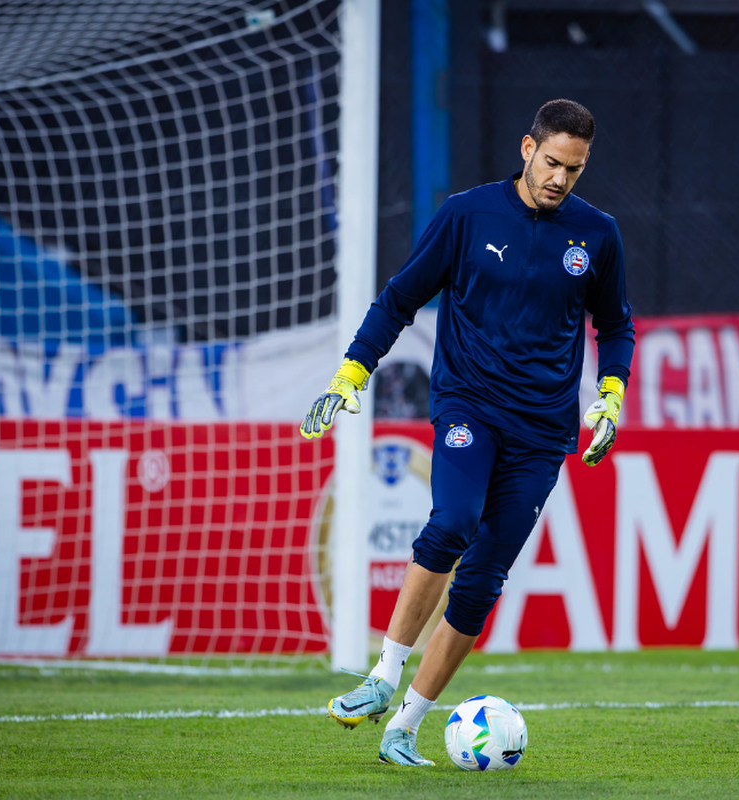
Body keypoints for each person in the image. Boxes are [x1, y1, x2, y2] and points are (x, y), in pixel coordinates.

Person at [299, 98, 635, 767]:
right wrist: (350, 373)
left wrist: (611, 394)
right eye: (551, 162)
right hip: (469, 407)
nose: (560, 179)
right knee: (452, 520)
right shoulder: (466, 214)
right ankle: (381, 678)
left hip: (542, 434)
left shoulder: (597, 234)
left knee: (482, 580)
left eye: (574, 168)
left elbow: (616, 325)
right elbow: (398, 299)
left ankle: (406, 727)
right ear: (526, 148)